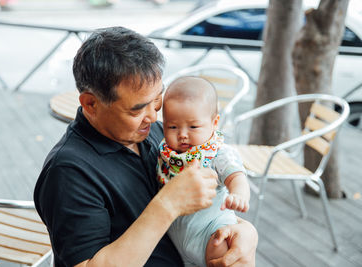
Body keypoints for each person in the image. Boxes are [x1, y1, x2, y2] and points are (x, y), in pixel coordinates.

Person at [34, 26, 257, 267]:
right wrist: (168, 204)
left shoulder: (158, 136)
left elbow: (210, 209)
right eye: (137, 109)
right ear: (91, 103)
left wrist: (246, 234)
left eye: (157, 101)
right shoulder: (69, 172)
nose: (152, 116)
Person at [157, 76, 250, 267]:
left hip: (211, 232)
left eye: (193, 126)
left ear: (214, 122)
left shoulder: (218, 153)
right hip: (175, 238)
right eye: (172, 126)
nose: (182, 134)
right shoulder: (165, 151)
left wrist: (238, 195)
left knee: (221, 251)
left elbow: (237, 177)